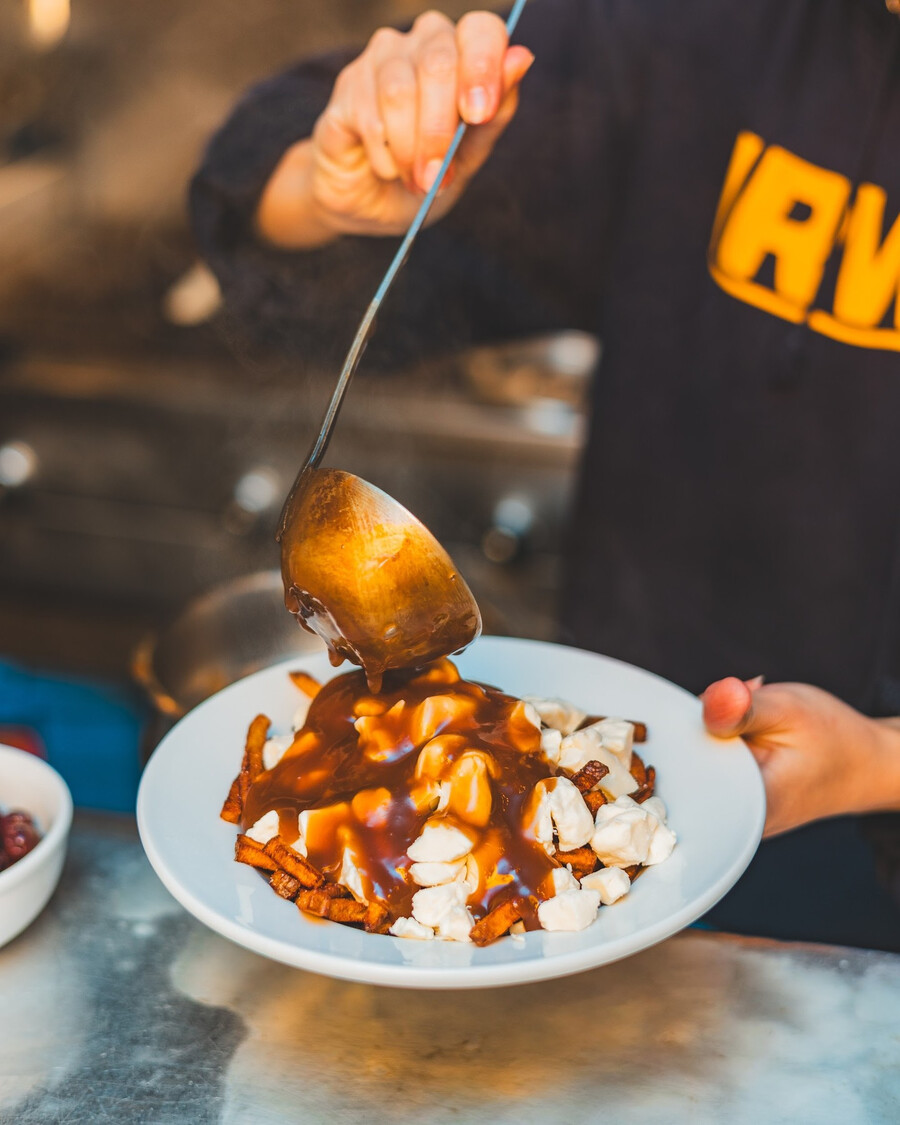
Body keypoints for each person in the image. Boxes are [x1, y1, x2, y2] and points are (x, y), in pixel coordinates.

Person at [191, 1, 900, 944]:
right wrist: (333, 182)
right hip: (623, 774)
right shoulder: (703, 29)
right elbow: (265, 173)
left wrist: (883, 762)